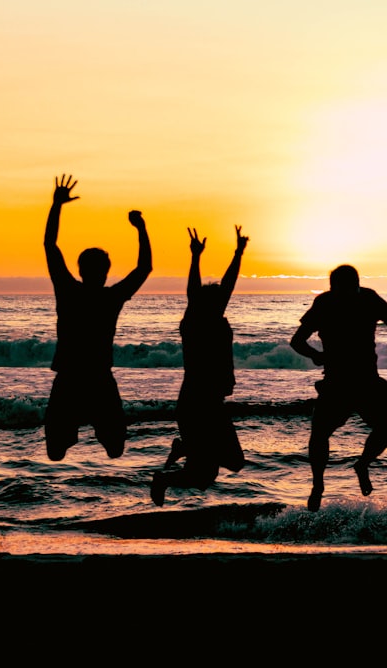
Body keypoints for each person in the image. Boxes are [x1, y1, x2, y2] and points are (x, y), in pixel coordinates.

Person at [290, 264, 387, 511]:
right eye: (338, 289)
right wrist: (317, 356)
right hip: (340, 383)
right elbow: (297, 341)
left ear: (354, 286)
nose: (343, 294)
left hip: (364, 381)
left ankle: (361, 464)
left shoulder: (361, 299)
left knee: (386, 425)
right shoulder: (329, 302)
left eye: (346, 288)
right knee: (320, 434)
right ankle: (318, 484)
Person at [43, 174, 152, 461]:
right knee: (115, 449)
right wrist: (141, 228)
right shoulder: (110, 297)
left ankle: (73, 433)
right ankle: (83, 431)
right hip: (97, 380)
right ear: (105, 272)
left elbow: (50, 246)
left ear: (80, 270)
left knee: (56, 452)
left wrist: (57, 206)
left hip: (71, 379)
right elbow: (145, 267)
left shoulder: (69, 291)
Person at [150, 226, 248, 507]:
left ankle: (182, 453)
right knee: (206, 473)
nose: (224, 300)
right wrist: (195, 258)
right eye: (218, 300)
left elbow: (228, 285)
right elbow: (194, 291)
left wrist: (238, 253)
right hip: (195, 405)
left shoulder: (213, 319)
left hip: (211, 404)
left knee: (222, 469)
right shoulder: (193, 323)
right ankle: (180, 458)